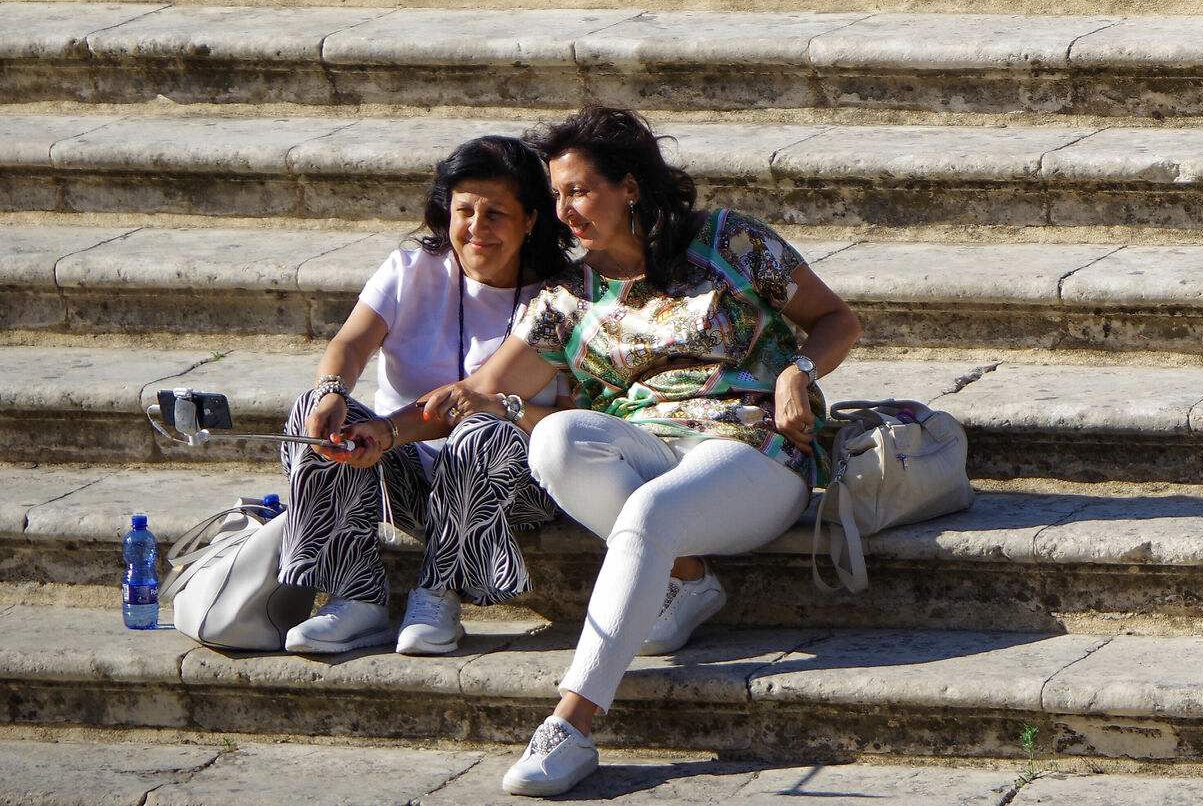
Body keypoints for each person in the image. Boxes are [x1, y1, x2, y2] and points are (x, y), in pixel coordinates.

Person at [426, 105, 861, 798]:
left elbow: (838, 319)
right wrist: (375, 430)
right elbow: (479, 392)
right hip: (649, 444)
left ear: (630, 187)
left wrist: (796, 373)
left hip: (753, 451)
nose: (565, 209)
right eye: (558, 195)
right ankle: (687, 576)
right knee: (558, 437)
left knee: (651, 508)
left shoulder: (729, 241)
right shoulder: (568, 296)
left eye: (579, 191)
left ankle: (570, 724)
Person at [280, 135, 579, 656]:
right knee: (319, 413)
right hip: (409, 470)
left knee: (482, 429)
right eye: (465, 211)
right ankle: (356, 596)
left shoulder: (561, 299)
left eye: (496, 215)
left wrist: (388, 430)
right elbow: (349, 343)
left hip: (514, 485)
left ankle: (438, 594)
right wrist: (332, 391)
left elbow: (468, 407)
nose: (476, 229)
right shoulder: (411, 269)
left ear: (531, 219)